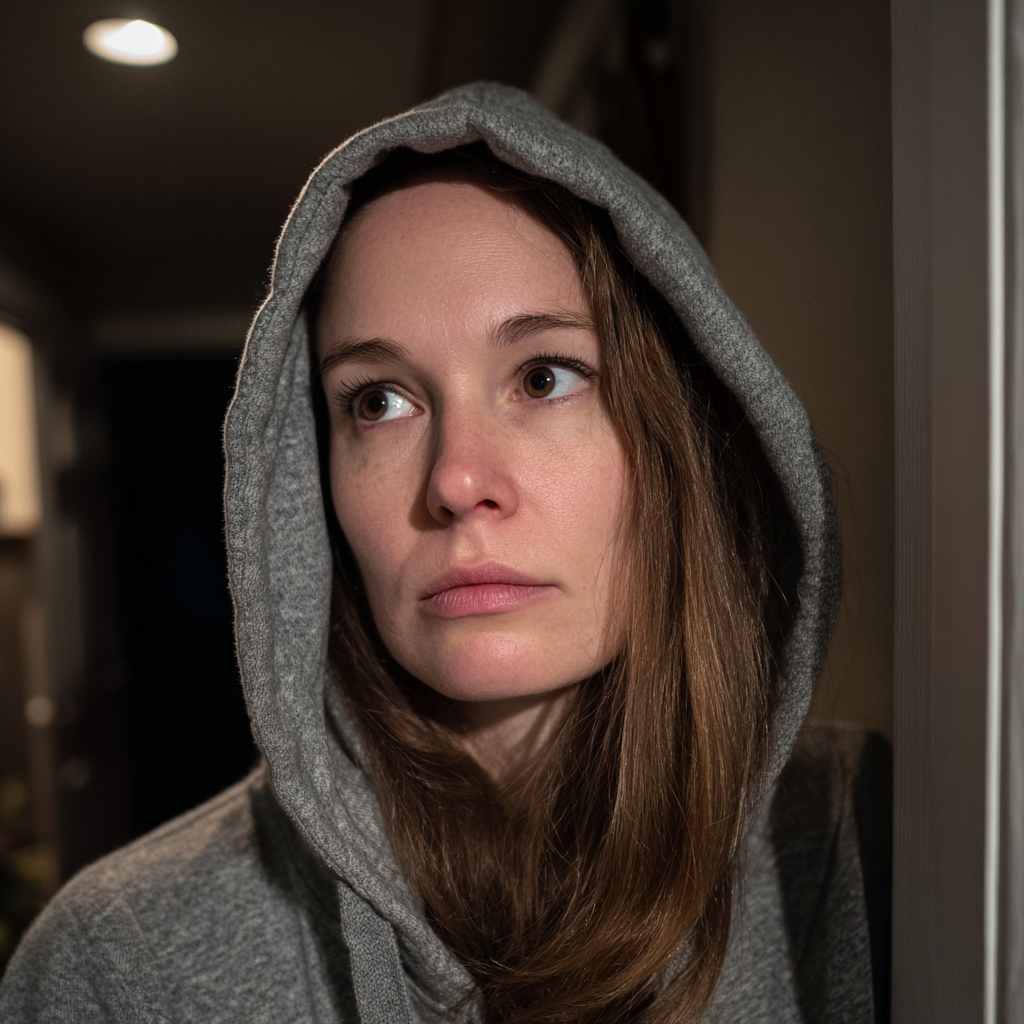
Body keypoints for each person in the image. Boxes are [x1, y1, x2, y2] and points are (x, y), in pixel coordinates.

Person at [0, 83, 890, 1023]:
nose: (458, 481)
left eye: (546, 377)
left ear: (684, 443)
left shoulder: (870, 848)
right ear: (310, 482)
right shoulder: (120, 968)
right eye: (379, 400)